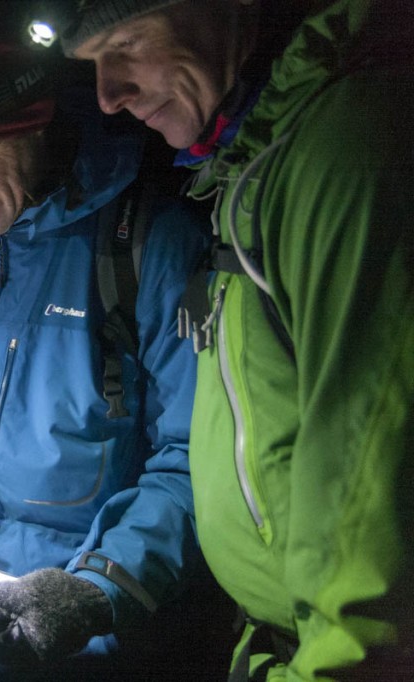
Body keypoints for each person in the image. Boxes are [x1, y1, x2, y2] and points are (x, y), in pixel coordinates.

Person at [62, 0, 414, 679]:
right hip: (278, 647)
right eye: (93, 65)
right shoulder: (257, 164)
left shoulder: (346, 152)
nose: (108, 96)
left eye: (128, 42)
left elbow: (377, 488)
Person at [0, 5, 215, 679]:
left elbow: (196, 457)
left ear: (41, 129)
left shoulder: (149, 244)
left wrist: (98, 590)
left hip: (100, 641)